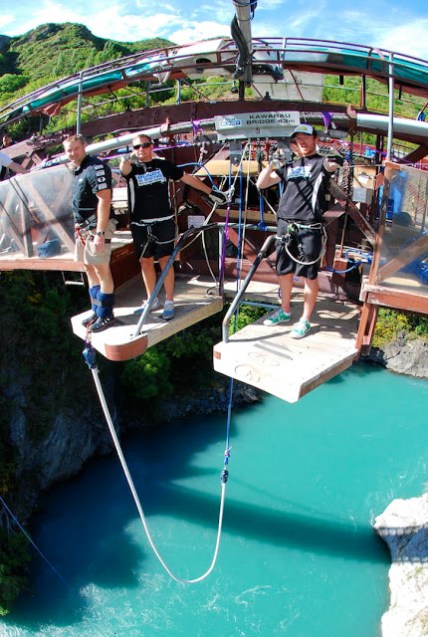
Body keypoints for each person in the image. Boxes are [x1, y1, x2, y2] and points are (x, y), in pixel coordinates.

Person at [120, 134, 228, 320]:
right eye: (137, 147)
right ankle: (152, 300)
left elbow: (187, 178)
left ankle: (169, 301)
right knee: (145, 261)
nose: (141, 149)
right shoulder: (132, 168)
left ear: (151, 146)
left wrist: (211, 192)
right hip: (141, 225)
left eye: (145, 145)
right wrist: (125, 159)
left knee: (165, 260)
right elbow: (124, 169)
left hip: (163, 222)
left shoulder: (163, 166)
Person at [256, 124, 341, 339]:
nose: (302, 141)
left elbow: (334, 163)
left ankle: (305, 320)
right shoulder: (289, 166)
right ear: (293, 144)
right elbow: (261, 183)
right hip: (285, 225)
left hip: (309, 227)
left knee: (309, 275)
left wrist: (333, 152)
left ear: (315, 140)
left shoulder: (321, 163)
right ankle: (284, 311)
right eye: (298, 139)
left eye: (306, 137)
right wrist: (272, 164)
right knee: (284, 271)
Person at [63, 134, 117, 332]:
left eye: (76, 148)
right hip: (83, 228)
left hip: (96, 227)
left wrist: (100, 234)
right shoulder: (78, 170)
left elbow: (104, 199)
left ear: (84, 146)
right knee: (89, 268)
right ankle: (97, 309)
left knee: (101, 270)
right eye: (69, 150)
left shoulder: (95, 168)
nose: (72, 153)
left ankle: (106, 314)